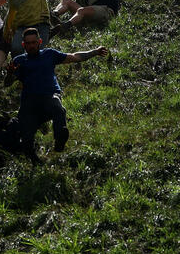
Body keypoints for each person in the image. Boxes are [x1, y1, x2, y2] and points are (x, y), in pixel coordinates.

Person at [10, 27, 108, 159]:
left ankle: (60, 139)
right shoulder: (18, 61)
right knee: (26, 138)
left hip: (49, 95)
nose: (31, 46)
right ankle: (35, 163)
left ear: (39, 42)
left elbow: (74, 57)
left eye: (34, 42)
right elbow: (8, 82)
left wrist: (95, 52)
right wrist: (11, 73)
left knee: (57, 107)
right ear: (23, 44)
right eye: (28, 43)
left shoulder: (49, 54)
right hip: (29, 101)